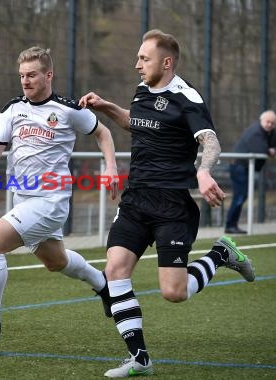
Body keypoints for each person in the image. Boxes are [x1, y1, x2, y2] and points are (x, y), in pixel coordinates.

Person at [79, 29, 255, 377]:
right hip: (136, 198)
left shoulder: (187, 97)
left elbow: (210, 141)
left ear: (167, 62)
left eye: (144, 58)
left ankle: (221, 254)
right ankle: (140, 359)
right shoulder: (143, 90)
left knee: (174, 293)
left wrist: (204, 172)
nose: (136, 65)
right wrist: (108, 107)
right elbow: (139, 124)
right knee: (115, 270)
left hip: (172, 204)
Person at [0, 46, 119, 341]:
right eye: (21, 76)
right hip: (23, 200)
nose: (25, 81)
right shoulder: (12, 109)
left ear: (48, 75)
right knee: (55, 262)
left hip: (50, 201)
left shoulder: (68, 109)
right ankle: (103, 284)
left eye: (32, 75)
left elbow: (103, 133)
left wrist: (110, 167)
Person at [225, 110, 276, 234]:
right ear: (261, 121)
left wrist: (271, 149)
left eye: (272, 123)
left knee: (242, 196)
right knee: (240, 196)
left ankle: (231, 225)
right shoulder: (256, 131)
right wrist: (270, 151)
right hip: (239, 166)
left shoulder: (269, 132)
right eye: (267, 122)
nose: (270, 124)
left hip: (246, 167)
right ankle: (230, 225)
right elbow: (261, 150)